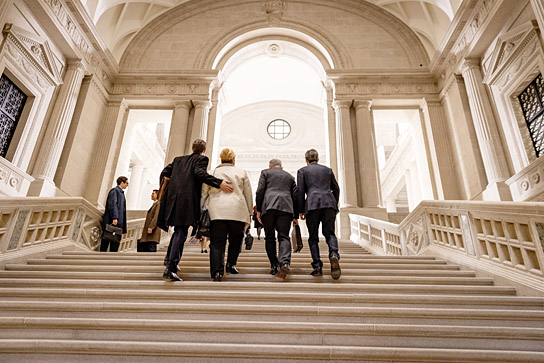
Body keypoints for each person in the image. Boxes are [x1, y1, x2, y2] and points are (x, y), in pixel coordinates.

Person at [158, 139, 233, 282]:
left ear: (193, 148)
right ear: (203, 150)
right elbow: (199, 173)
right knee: (181, 232)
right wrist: (219, 182)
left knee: (179, 231)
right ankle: (170, 268)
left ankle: (169, 261)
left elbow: (165, 172)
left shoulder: (178, 159)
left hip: (173, 199)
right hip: (187, 200)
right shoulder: (202, 159)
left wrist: (171, 186)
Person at [202, 148, 253, 282]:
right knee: (236, 240)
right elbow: (248, 194)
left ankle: (217, 272)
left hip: (216, 212)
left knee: (217, 243)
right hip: (237, 211)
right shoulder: (241, 172)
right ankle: (231, 264)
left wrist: (201, 209)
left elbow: (204, 194)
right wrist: (250, 213)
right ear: (233, 159)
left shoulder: (212, 172)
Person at [297, 149, 341, 279]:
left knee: (313, 237)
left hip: (312, 205)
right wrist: (334, 203)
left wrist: (301, 210)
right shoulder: (327, 170)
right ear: (318, 158)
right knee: (330, 233)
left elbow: (300, 192)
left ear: (306, 160)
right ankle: (333, 254)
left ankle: (317, 266)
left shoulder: (302, 171)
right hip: (329, 204)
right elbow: (336, 188)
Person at [255, 158, 298, 280]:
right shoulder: (290, 177)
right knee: (284, 236)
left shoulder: (265, 173)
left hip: (268, 207)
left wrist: (258, 209)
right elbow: (295, 196)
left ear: (270, 166)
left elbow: (260, 191)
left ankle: (274, 265)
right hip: (286, 208)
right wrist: (295, 216)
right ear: (281, 167)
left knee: (269, 237)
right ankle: (284, 263)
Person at [100, 176, 128, 252]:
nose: (127, 185)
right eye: (126, 183)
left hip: (119, 223)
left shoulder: (121, 193)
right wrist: (115, 218)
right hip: (113, 221)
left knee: (115, 242)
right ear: (122, 182)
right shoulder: (115, 191)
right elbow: (113, 204)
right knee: (106, 240)